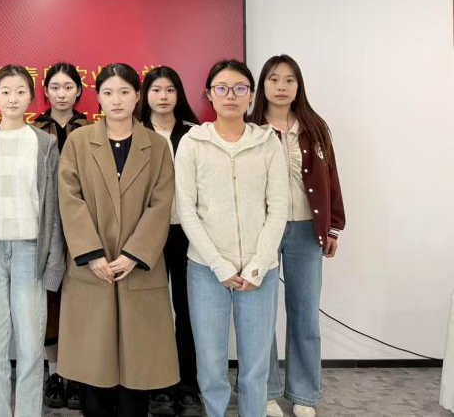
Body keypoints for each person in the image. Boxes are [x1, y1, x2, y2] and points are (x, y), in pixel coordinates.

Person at [57, 63, 179, 417]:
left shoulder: (156, 146)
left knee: (137, 365)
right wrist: (92, 253)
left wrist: (133, 254)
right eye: (108, 93)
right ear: (98, 97)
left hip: (137, 268)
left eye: (125, 92)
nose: (116, 100)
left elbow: (161, 204)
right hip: (92, 267)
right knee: (93, 363)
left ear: (137, 96)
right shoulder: (79, 142)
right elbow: (70, 199)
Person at [174, 59, 288, 417]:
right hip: (206, 269)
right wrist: (219, 264)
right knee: (211, 363)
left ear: (250, 95)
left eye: (240, 88)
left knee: (255, 364)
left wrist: (258, 264)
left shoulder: (268, 142)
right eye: (221, 88)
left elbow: (278, 208)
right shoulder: (193, 142)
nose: (230, 96)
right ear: (209, 94)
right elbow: (186, 210)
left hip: (260, 270)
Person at [0, 64, 65, 417]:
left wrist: (54, 262)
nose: (13, 98)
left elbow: (55, 208)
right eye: (5, 91)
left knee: (31, 347)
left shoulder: (45, 144)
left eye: (20, 91)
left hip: (30, 252)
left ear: (32, 98)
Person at [251, 55, 346, 417]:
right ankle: (265, 391)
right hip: (262, 231)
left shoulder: (314, 127)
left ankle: (304, 394)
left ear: (298, 86)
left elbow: (331, 179)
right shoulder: (250, 128)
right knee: (260, 314)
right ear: (263, 85)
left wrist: (332, 226)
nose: (281, 86)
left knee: (305, 313)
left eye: (289, 80)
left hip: (307, 229)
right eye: (274, 79)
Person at [138, 66, 203, 417]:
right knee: (152, 311)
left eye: (170, 90)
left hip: (187, 233)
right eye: (156, 89)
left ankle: (188, 386)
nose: (163, 97)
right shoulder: (135, 132)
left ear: (179, 94)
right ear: (145, 95)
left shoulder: (194, 133)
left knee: (187, 310)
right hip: (147, 233)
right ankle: (157, 386)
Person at [33, 62, 89, 411]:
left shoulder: (91, 129)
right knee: (50, 299)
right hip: (46, 223)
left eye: (69, 87)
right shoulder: (35, 130)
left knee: (82, 300)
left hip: (83, 223)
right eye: (55, 87)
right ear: (46, 91)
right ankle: (54, 373)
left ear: (79, 91)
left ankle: (78, 374)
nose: (62, 93)